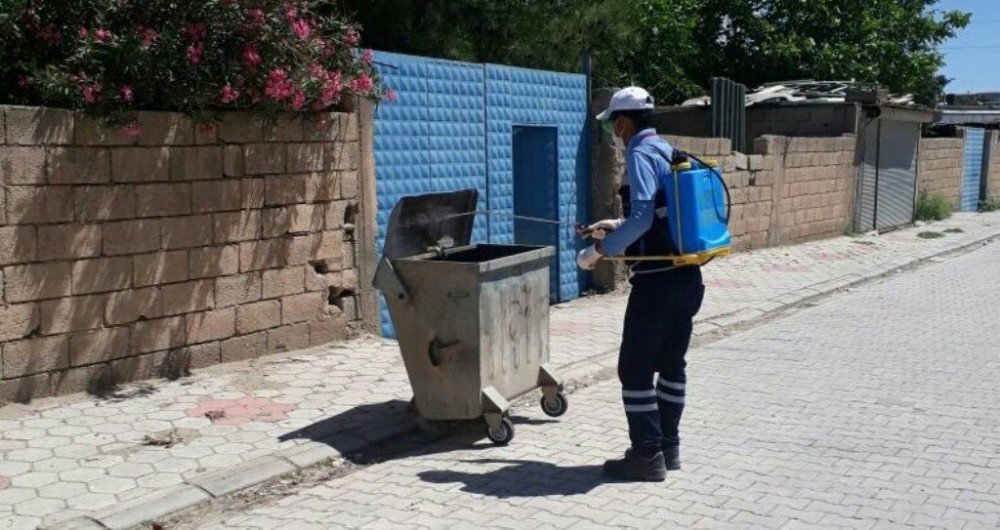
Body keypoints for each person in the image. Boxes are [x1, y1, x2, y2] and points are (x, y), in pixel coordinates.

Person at [577, 86, 706, 482]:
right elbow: (661, 213)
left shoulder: (638, 153)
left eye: (613, 126)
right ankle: (669, 447)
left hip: (657, 284)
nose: (614, 133)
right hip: (687, 277)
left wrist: (600, 251)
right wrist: (614, 225)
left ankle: (647, 455)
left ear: (622, 122)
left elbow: (644, 217)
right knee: (671, 365)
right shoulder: (668, 151)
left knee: (633, 369)